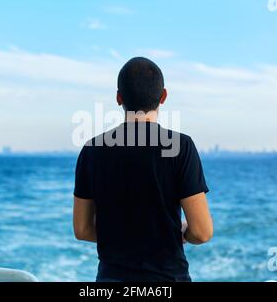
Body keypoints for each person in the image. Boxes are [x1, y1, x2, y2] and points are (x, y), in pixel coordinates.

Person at [73, 57, 213, 282]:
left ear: (119, 98)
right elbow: (202, 232)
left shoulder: (92, 150)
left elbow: (82, 229)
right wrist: (179, 232)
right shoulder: (180, 147)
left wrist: (121, 234)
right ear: (163, 96)